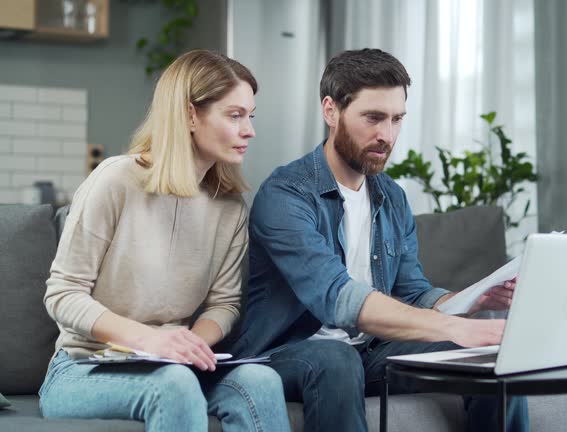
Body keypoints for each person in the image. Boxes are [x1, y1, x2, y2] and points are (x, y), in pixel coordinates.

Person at [232, 48, 528, 432]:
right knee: (335, 357)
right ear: (331, 110)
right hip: (285, 354)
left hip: (371, 352)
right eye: (373, 118)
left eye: (396, 119)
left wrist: (469, 302)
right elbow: (337, 298)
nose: (386, 135)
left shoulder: (391, 196)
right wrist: (453, 327)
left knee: (488, 357)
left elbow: (413, 290)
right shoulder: (286, 194)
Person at [39, 50, 291, 432]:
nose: (249, 130)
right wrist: (151, 341)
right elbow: (62, 293)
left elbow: (224, 305)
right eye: (234, 115)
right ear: (191, 115)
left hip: (173, 366)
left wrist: (187, 347)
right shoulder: (116, 180)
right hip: (83, 368)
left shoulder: (229, 207)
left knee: (261, 381)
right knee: (174, 385)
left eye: (250, 116)